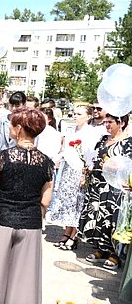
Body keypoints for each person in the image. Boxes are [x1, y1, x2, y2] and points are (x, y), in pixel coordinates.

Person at [0, 108, 54, 304]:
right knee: (24, 276)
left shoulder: (2, 158)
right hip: (30, 224)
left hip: (0, 221)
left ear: (18, 129)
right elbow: (45, 200)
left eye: (11, 124)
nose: (8, 127)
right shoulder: (47, 163)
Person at [47, 105, 103, 250]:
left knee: (77, 201)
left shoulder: (91, 133)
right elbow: (65, 149)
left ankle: (74, 235)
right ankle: (67, 232)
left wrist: (85, 171)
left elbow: (91, 154)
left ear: (88, 116)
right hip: (68, 169)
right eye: (74, 113)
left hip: (80, 171)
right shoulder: (71, 130)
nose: (75, 116)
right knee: (67, 201)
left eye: (79, 114)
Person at [80, 114, 131, 269]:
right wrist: (89, 168)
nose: (107, 125)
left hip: (115, 186)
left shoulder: (128, 143)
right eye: (105, 122)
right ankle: (101, 249)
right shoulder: (103, 139)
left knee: (112, 217)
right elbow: (96, 157)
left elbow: (128, 166)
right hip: (97, 183)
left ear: (121, 123)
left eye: (110, 122)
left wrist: (110, 166)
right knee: (97, 215)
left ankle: (115, 254)